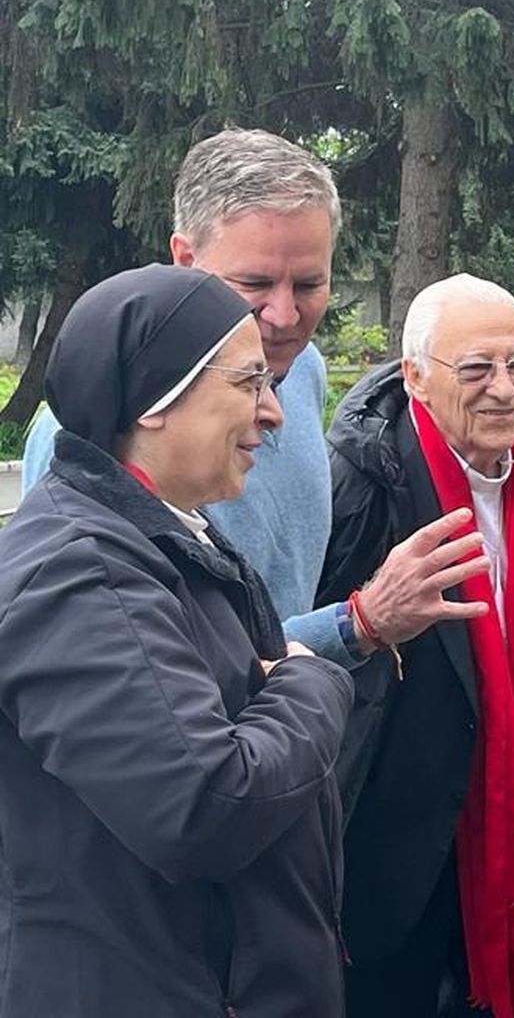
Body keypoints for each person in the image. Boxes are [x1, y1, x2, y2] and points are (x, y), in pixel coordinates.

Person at [0, 264, 353, 1016]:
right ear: (155, 399)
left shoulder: (157, 536)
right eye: (249, 382)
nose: (273, 413)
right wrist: (312, 680)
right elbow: (205, 807)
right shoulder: (80, 574)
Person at [21, 128, 486, 669]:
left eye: (308, 285)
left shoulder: (304, 369)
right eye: (255, 283)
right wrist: (356, 624)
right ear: (184, 258)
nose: (284, 317)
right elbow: (107, 663)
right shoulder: (88, 429)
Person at [316, 273, 514, 1018]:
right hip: (402, 850)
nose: (505, 389)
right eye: (476, 368)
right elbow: (323, 659)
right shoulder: (361, 479)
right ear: (415, 376)